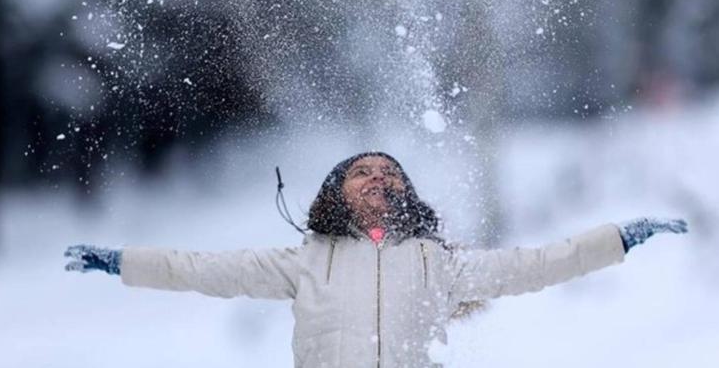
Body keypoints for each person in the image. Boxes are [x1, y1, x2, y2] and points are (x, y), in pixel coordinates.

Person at [65, 151, 687, 367]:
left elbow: (537, 264)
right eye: (361, 172)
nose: (376, 179)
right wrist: (122, 261)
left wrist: (619, 238)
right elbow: (200, 268)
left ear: (406, 194)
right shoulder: (304, 261)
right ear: (336, 192)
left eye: (390, 173)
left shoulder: (438, 263)